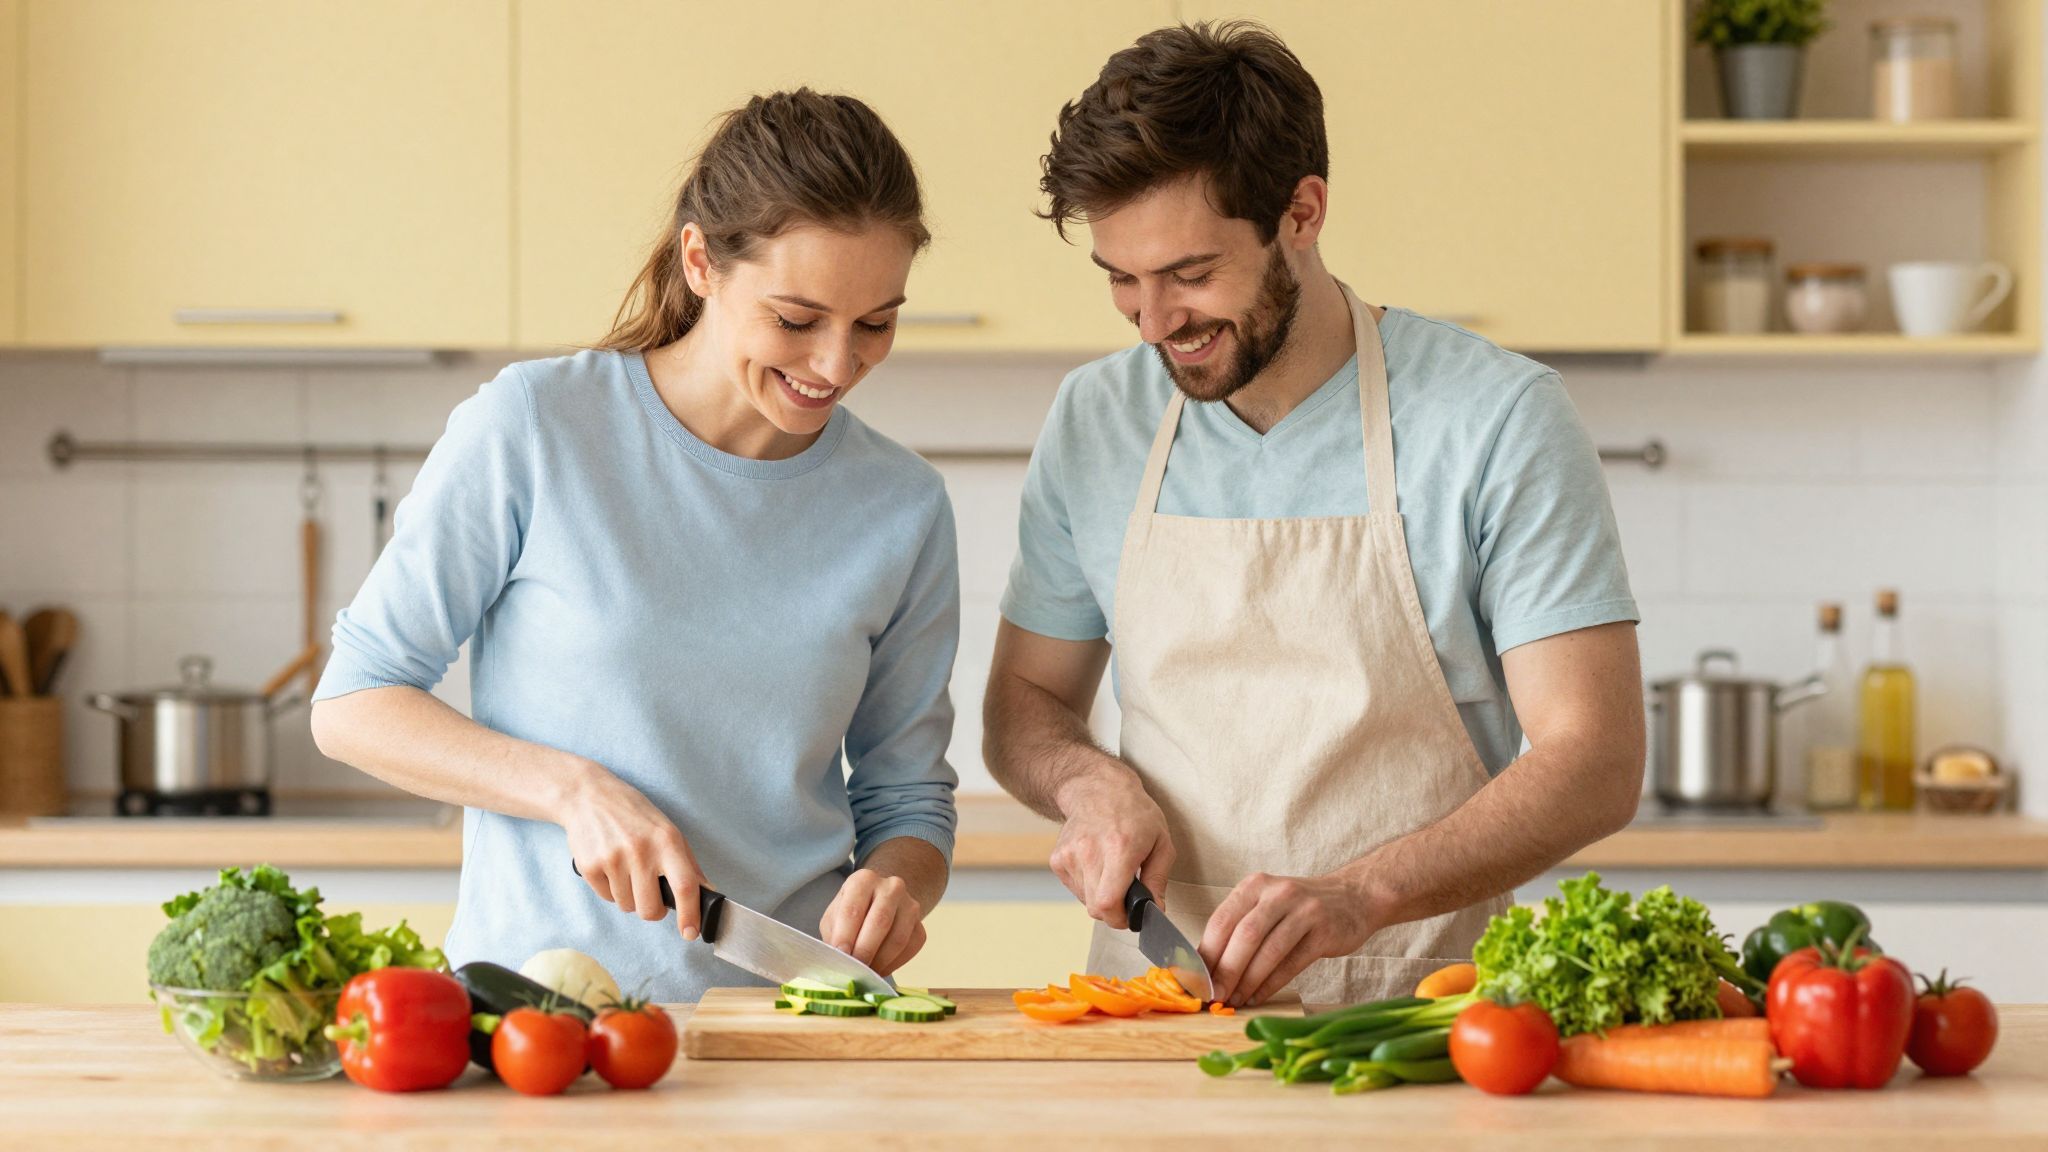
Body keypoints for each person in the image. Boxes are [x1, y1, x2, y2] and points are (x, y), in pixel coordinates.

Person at [984, 23, 1645, 1007]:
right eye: (1121, 279)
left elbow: (1594, 756)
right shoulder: (1096, 418)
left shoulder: (1492, 417)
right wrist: (1089, 785)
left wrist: (1361, 894)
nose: (1153, 322)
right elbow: (1023, 706)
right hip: (1157, 1013)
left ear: (1300, 212)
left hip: (1425, 1018)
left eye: (1190, 274)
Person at [310, 90, 959, 1001]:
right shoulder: (536, 427)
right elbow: (353, 703)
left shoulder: (903, 506)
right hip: (542, 1015)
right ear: (702, 261)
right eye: (798, 320)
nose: (837, 366)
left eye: (877, 323)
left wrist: (897, 885)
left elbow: (908, 802)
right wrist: (570, 790)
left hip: (789, 1020)